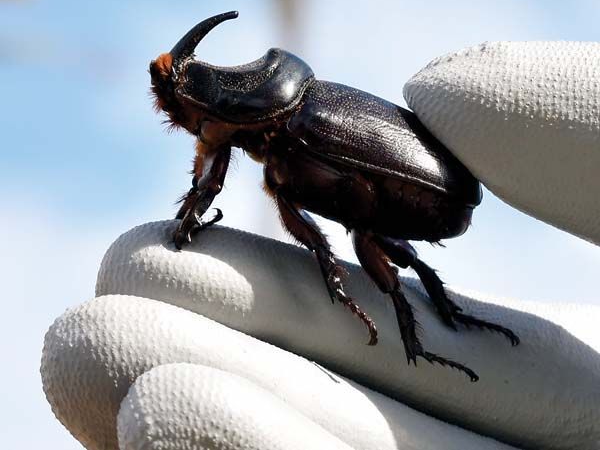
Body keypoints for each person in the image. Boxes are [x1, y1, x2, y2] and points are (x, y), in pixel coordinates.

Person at [41, 41, 600, 450]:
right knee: (371, 248)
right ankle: (423, 328)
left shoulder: (294, 123)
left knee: (371, 249)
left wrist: (198, 217)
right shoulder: (261, 138)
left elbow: (213, 175)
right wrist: (193, 212)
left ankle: (426, 329)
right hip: (397, 198)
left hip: (427, 193)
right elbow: (212, 165)